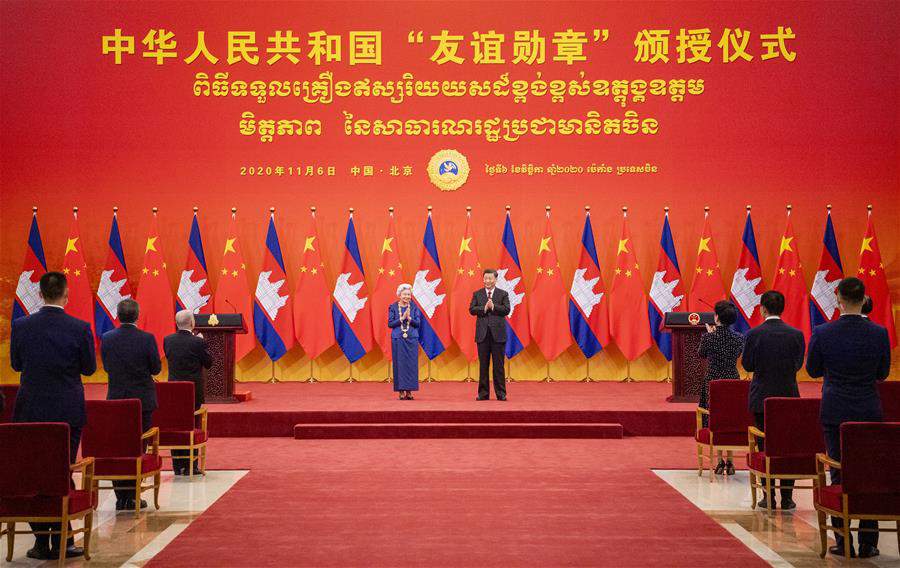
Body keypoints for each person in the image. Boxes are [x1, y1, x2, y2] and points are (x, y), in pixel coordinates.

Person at [10, 272, 96, 560]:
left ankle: (40, 540)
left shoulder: (21, 326)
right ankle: (62, 538)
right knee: (61, 470)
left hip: (30, 410)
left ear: (39, 294)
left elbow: (16, 363)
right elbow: (88, 368)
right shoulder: (80, 327)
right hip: (67, 411)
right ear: (66, 295)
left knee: (34, 472)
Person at [807, 277, 891, 559]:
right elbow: (882, 373)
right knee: (870, 473)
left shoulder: (822, 332)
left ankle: (843, 541)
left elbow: (813, 370)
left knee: (839, 471)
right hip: (869, 409)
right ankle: (869, 541)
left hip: (835, 409)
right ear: (863, 298)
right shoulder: (880, 333)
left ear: (838, 299)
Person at [741, 290, 805, 509]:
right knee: (788, 445)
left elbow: (748, 365)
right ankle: (787, 497)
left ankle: (768, 496)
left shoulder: (754, 334)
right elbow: (798, 364)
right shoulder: (796, 334)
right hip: (789, 396)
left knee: (764, 445)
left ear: (762, 309)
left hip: (762, 397)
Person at [100, 298, 161, 510]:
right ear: (137, 316)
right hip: (141, 400)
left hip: (116, 398)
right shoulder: (147, 338)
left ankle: (121, 497)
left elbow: (107, 367)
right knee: (137, 447)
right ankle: (133, 495)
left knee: (119, 447)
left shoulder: (107, 338)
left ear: (118, 315)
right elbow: (155, 369)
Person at [697, 300, 744, 475]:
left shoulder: (709, 337)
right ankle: (730, 462)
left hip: (713, 379)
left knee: (714, 418)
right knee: (730, 418)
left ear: (716, 317)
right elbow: (738, 354)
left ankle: (719, 461)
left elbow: (701, 354)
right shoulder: (739, 338)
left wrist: (710, 334)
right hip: (732, 379)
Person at [163, 310, 212, 475]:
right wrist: (201, 342)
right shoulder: (197, 342)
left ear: (177, 323)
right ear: (192, 324)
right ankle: (191, 466)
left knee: (175, 426)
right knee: (192, 425)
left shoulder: (168, 340)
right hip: (192, 390)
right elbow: (208, 363)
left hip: (173, 390)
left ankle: (178, 466)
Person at [469, 269, 511, 401]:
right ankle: (483, 394)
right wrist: (484, 308)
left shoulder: (503, 294)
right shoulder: (477, 294)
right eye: (485, 278)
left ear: (495, 279)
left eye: (490, 278)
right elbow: (471, 309)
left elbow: (506, 309)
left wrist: (493, 307)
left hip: (498, 335)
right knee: (483, 365)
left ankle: (501, 394)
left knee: (498, 366)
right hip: (482, 335)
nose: (487, 281)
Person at [388, 283, 421, 400]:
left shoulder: (415, 307)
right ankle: (401, 391)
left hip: (412, 338)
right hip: (398, 339)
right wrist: (401, 319)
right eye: (405, 294)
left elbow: (418, 324)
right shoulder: (393, 307)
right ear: (399, 295)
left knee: (411, 365)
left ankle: (409, 391)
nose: (407, 296)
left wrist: (410, 319)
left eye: (409, 294)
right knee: (400, 365)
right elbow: (390, 324)